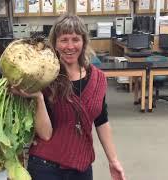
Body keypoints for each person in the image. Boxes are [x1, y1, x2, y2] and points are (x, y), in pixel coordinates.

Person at [11, 13, 126, 180]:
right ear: (55, 43)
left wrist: (113, 160)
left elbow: (102, 120)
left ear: (84, 41)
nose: (70, 46)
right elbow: (45, 135)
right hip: (46, 166)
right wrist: (38, 98)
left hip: (82, 165)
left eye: (75, 39)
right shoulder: (44, 78)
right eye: (64, 40)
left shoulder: (98, 78)